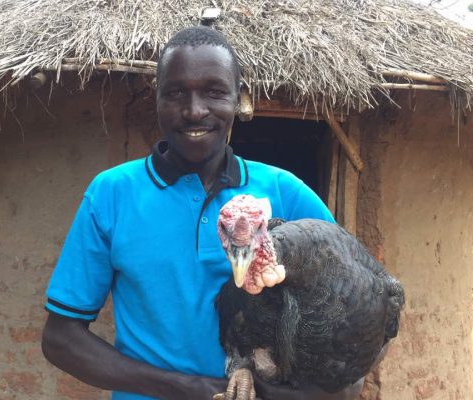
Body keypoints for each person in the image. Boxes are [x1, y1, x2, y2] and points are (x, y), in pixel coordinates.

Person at [41, 26, 365, 400]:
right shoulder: (112, 194)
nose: (194, 111)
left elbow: (356, 298)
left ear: (238, 100)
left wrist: (313, 389)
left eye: (214, 92)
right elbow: (61, 339)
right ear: (156, 100)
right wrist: (189, 388)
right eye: (176, 93)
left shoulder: (283, 192)